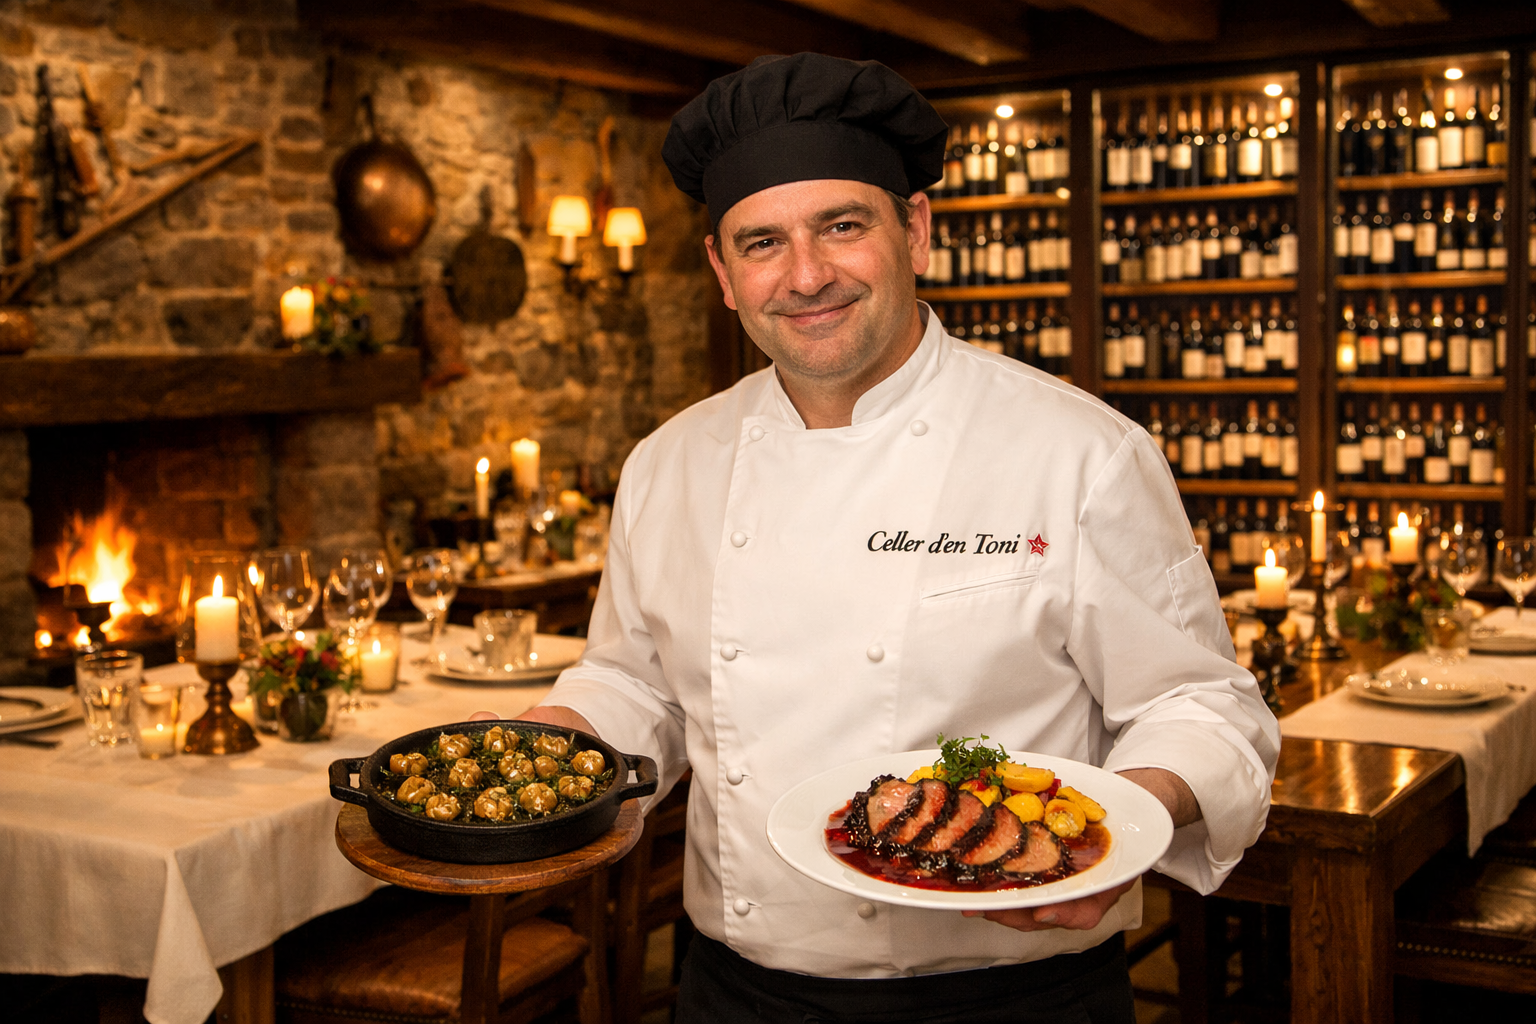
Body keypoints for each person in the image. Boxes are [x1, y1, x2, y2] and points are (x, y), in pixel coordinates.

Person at [497, 53, 1280, 1023]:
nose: (807, 275)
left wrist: (1117, 826)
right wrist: (546, 746)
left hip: (1010, 995)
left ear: (915, 228)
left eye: (842, 225)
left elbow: (1203, 707)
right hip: (733, 994)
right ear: (722, 273)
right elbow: (632, 684)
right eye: (761, 243)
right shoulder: (667, 464)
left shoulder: (1080, 453)